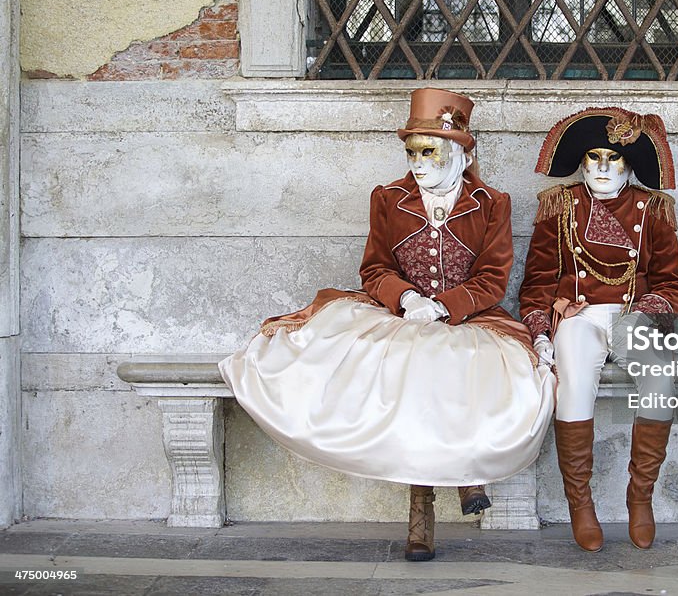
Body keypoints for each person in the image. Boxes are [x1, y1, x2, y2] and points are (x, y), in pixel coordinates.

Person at [220, 88, 555, 562]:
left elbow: (493, 277)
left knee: (461, 363)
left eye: (429, 151)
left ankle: (459, 476)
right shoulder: (388, 198)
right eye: (411, 152)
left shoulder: (492, 203)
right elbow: (374, 268)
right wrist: (409, 297)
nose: (418, 163)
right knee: (410, 362)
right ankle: (426, 506)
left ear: (459, 151)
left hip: (471, 316)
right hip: (398, 314)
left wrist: (445, 307)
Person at [518, 107, 678, 552]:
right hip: (579, 316)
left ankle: (641, 498)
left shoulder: (652, 210)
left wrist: (648, 313)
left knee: (661, 378)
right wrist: (540, 330)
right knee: (572, 383)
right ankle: (581, 504)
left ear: (629, 164)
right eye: (593, 156)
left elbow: (673, 282)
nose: (600, 166)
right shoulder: (559, 205)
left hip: (634, 313)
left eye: (611, 158)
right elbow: (537, 281)